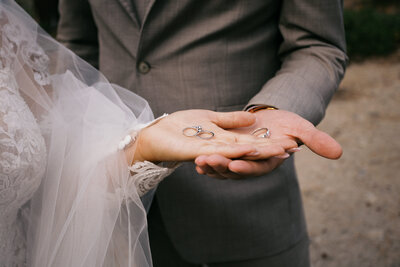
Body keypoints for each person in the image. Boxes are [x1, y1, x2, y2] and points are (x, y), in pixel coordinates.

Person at [0, 1, 342, 266]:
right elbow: (79, 46)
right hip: (114, 212)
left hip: (243, 199)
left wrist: (266, 113)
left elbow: (317, 45)